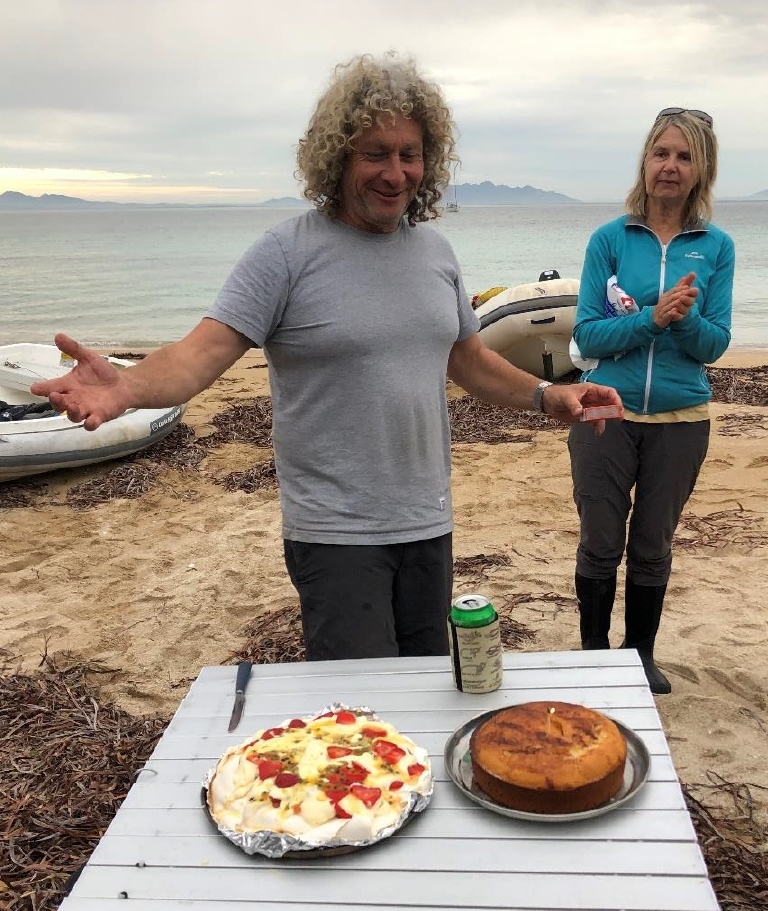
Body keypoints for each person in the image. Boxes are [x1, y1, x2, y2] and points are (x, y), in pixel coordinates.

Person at [32, 53, 622, 662]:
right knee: (358, 716)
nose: (396, 173)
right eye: (375, 154)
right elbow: (199, 355)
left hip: (428, 521)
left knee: (424, 693)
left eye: (409, 154)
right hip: (336, 533)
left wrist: (550, 396)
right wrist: (124, 386)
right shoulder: (284, 254)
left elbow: (466, 359)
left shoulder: (436, 254)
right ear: (337, 157)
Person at [568, 107, 734, 694]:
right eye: (661, 153)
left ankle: (639, 655)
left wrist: (681, 323)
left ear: (700, 169)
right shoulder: (610, 240)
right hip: (604, 414)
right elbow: (588, 335)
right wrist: (650, 318)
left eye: (684, 156)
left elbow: (715, 345)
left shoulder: (716, 247)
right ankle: (593, 655)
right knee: (600, 539)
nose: (670, 166)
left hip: (681, 419)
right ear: (645, 161)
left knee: (652, 543)